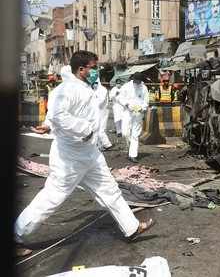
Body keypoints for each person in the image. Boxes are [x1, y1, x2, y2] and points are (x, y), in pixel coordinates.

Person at [15, 51, 154, 256]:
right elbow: (59, 115)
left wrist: (48, 125)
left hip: (90, 153)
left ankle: (131, 227)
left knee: (110, 190)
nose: (96, 71)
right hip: (69, 157)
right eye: (93, 67)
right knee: (52, 198)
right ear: (81, 69)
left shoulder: (85, 87)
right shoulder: (66, 89)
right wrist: (85, 129)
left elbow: (59, 116)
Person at [117, 73, 149, 163]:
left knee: (135, 134)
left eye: (140, 81)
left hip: (138, 113)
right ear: (133, 79)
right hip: (128, 112)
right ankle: (130, 146)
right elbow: (119, 98)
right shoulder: (126, 86)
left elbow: (146, 101)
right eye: (137, 81)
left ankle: (133, 155)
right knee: (125, 133)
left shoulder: (144, 88)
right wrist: (127, 104)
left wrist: (142, 108)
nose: (138, 83)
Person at [90, 69, 113, 151]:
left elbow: (99, 102)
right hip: (95, 112)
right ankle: (100, 145)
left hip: (102, 111)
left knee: (101, 129)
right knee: (95, 129)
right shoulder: (91, 89)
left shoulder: (103, 90)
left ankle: (107, 145)